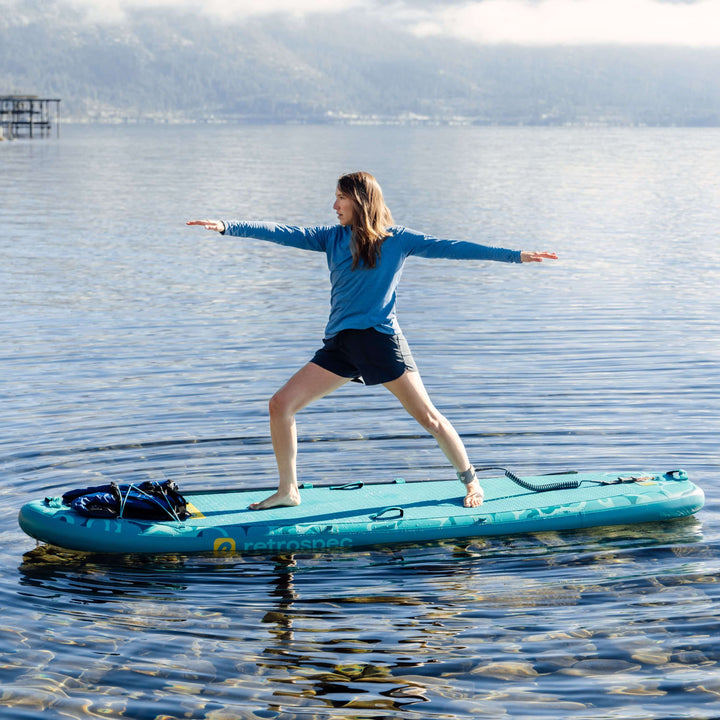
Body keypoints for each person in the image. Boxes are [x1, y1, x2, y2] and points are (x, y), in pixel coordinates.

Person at [188, 171, 557, 511]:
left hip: (382, 343)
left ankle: (472, 482)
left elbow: (454, 247)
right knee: (280, 404)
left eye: (339, 198)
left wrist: (515, 257)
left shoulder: (398, 241)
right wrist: (226, 226)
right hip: (342, 345)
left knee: (428, 417)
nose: (334, 206)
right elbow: (281, 232)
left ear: (360, 201)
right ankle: (288, 491)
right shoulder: (330, 238)